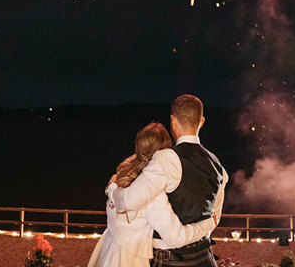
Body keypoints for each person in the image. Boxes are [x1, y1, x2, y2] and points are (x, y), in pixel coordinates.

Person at [111, 94, 228, 267]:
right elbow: (214, 217)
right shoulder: (217, 165)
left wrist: (112, 189)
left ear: (172, 121)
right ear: (201, 121)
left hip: (171, 260)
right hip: (206, 259)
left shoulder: (167, 159)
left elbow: (128, 201)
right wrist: (204, 227)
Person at [87, 122, 216, 267]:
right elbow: (177, 238)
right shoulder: (151, 193)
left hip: (109, 249)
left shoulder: (122, 175)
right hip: (132, 259)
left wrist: (111, 187)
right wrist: (208, 224)